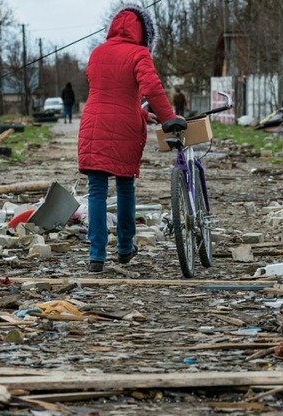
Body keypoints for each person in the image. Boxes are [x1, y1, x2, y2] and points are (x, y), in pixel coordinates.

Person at [77, 4, 179, 273]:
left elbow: (110, 95)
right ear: (144, 32)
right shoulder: (139, 53)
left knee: (96, 192)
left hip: (92, 124)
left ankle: (96, 256)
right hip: (123, 129)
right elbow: (150, 86)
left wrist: (146, 115)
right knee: (125, 188)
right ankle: (124, 248)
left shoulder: (97, 53)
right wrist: (167, 116)